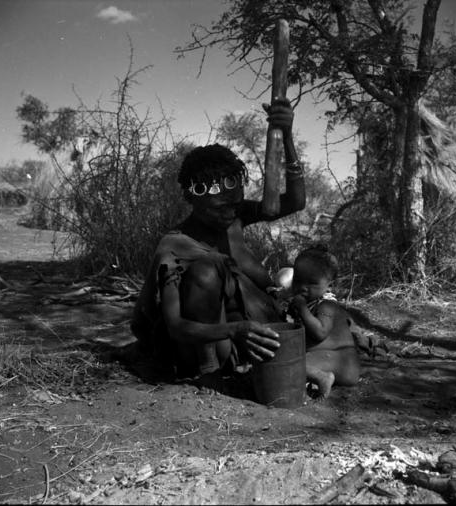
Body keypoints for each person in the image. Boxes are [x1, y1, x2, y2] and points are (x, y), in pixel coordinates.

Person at [131, 99, 306, 383]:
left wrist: (286, 135)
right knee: (206, 271)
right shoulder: (175, 245)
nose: (229, 212)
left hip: (257, 338)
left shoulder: (235, 216)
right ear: (191, 199)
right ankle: (209, 373)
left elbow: (296, 202)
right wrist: (234, 331)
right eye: (218, 207)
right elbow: (175, 326)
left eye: (234, 204)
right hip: (214, 346)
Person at [288, 244, 360, 399]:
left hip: (341, 362)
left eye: (312, 283)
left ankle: (322, 377)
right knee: (289, 362)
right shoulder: (310, 303)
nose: (302, 287)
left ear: (330, 285)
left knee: (290, 364)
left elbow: (320, 332)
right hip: (326, 359)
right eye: (297, 280)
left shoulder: (327, 305)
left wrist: (302, 309)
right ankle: (313, 378)